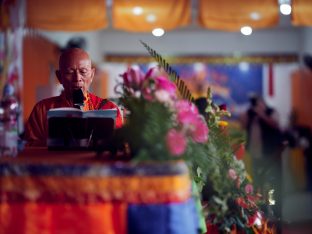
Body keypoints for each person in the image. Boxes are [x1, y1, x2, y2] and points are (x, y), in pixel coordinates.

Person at [24, 48, 123, 146]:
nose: (77, 78)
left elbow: (120, 145)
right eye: (69, 72)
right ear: (59, 77)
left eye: (83, 72)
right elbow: (30, 147)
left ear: (92, 75)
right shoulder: (42, 109)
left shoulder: (109, 109)